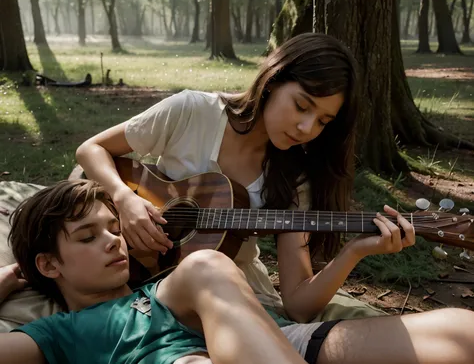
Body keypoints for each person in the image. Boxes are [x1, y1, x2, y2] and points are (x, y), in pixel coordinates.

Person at [76, 32, 474, 363]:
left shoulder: (294, 178)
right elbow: (91, 150)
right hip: (153, 283)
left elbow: (299, 305)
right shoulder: (192, 112)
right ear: (273, 79)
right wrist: (123, 200)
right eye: (302, 106)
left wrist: (355, 252)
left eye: (323, 121)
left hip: (237, 300)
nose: (306, 128)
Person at [0, 179, 307, 364]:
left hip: (285, 341)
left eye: (114, 229)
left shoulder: (167, 289)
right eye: (88, 237)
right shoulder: (59, 332)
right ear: (49, 264)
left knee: (205, 264)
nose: (113, 242)